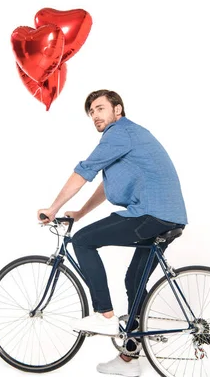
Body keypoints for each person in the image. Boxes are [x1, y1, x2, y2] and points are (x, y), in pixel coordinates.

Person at [37, 89, 187, 376]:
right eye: (91, 112)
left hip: (151, 213)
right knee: (133, 281)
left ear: (117, 110)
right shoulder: (126, 140)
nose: (95, 115)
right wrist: (80, 212)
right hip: (168, 216)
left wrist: (53, 207)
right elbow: (105, 187)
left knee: (82, 240)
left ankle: (104, 314)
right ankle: (130, 357)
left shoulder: (119, 132)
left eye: (100, 108)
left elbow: (84, 171)